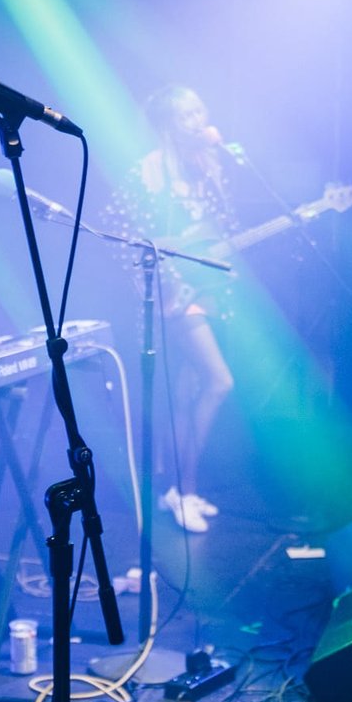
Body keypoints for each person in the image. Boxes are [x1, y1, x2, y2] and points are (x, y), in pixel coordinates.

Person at [109, 84, 238, 532]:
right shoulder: (144, 176)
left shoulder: (207, 169)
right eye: (188, 115)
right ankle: (179, 489)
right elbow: (124, 242)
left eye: (201, 111)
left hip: (205, 289)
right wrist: (161, 287)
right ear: (167, 124)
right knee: (219, 381)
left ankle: (182, 489)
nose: (199, 121)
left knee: (184, 393)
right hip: (172, 295)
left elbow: (225, 229)